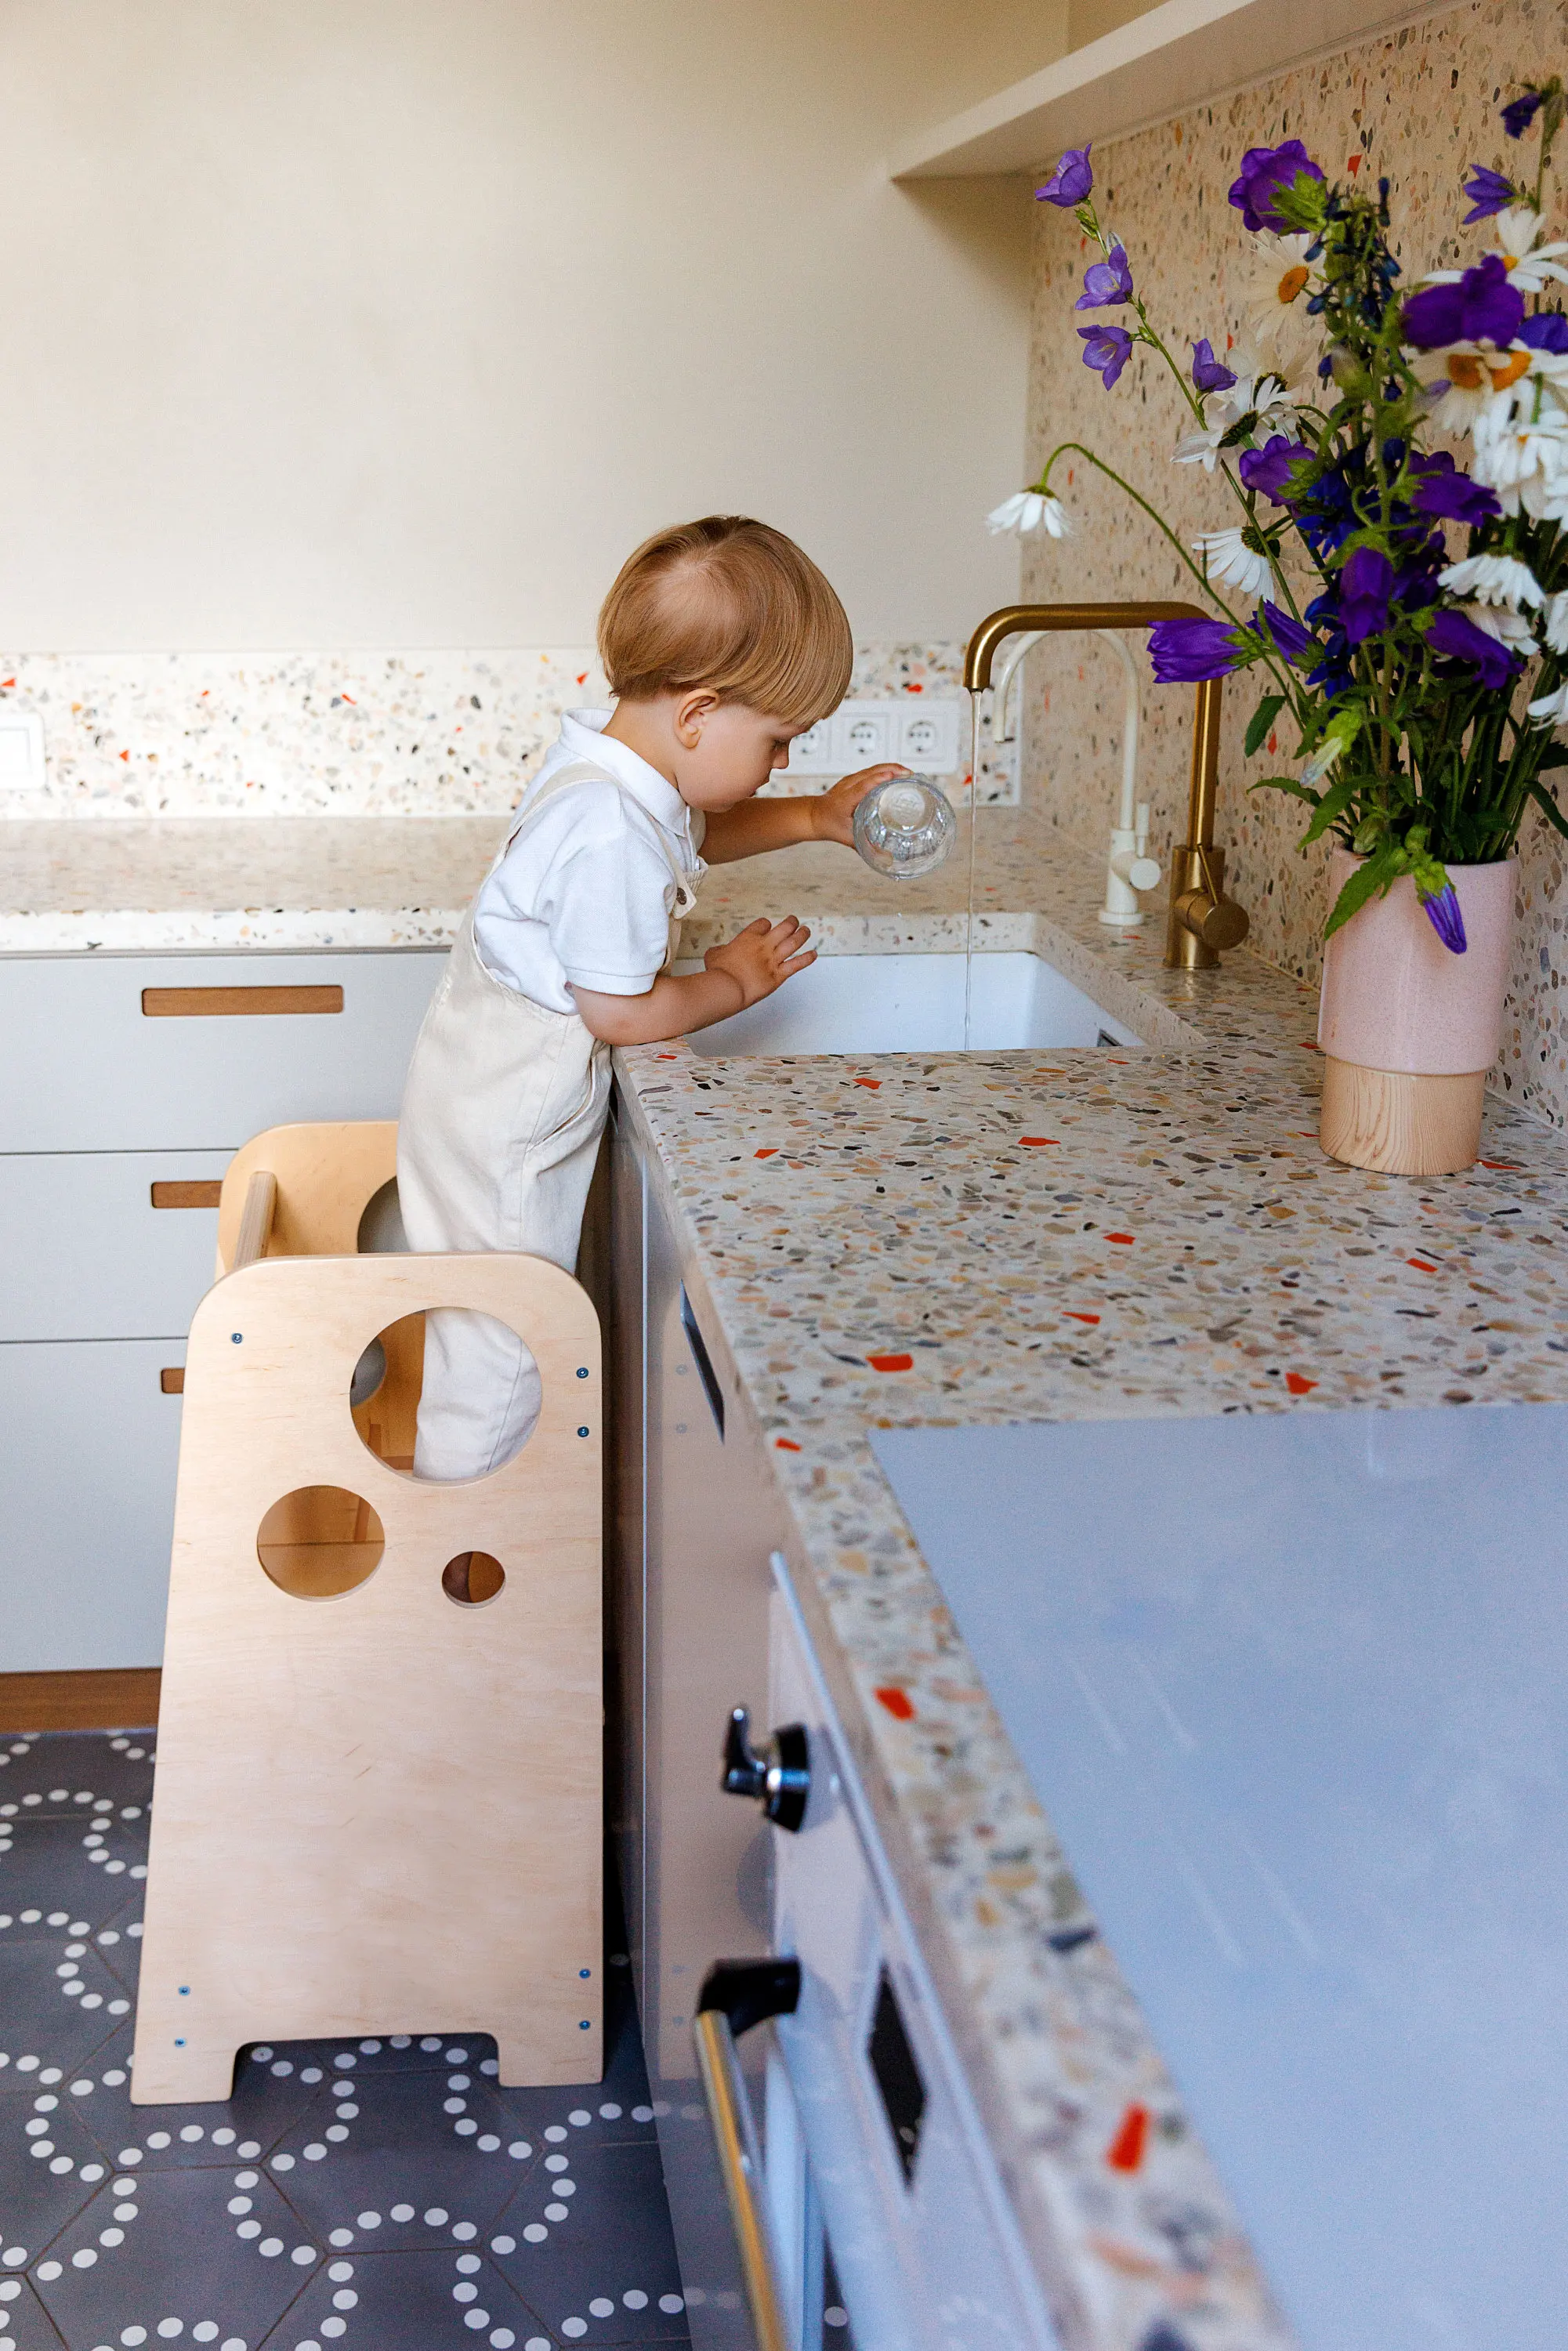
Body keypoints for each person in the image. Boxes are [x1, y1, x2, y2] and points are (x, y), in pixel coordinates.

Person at [397, 513, 904, 1481]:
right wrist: (732, 982)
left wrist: (813, 818)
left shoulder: (610, 763)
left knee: (489, 1322)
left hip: (470, 1093)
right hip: (507, 1134)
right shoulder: (611, 832)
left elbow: (694, 829)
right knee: (506, 1346)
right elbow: (620, 1015)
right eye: (781, 741)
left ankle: (473, 1525)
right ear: (700, 714)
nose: (784, 763)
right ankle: (452, 1549)